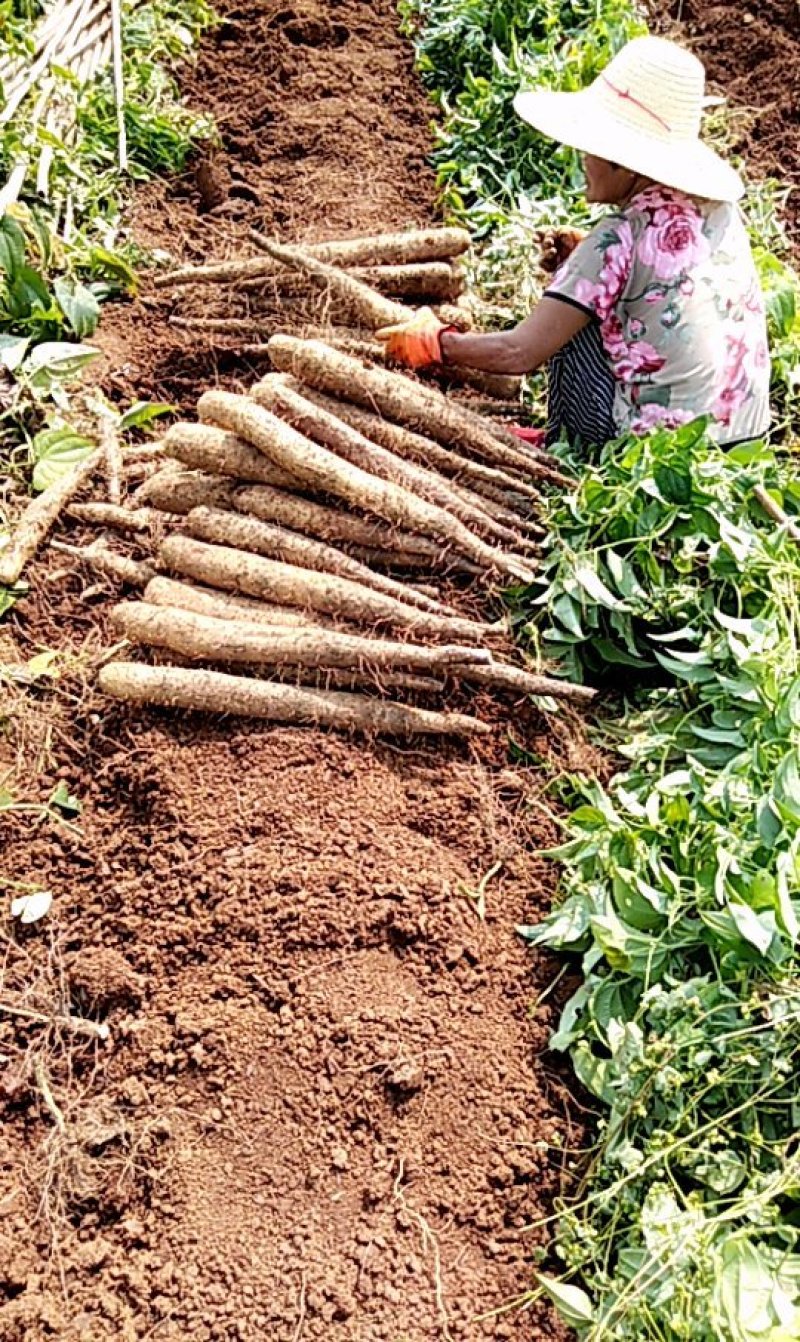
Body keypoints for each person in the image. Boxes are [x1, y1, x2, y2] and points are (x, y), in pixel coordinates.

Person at [377, 36, 771, 450]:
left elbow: (518, 353)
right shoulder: (719, 209)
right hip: (743, 444)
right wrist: (588, 267)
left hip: (657, 460)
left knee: (572, 320)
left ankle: (569, 449)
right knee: (581, 299)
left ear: (624, 159)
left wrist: (436, 344)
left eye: (593, 147)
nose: (583, 157)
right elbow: (674, 283)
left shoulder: (617, 238)